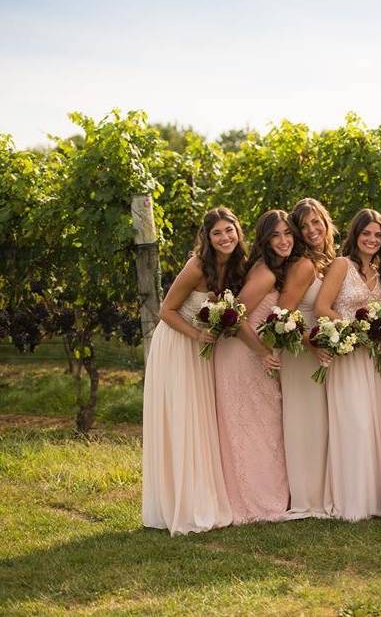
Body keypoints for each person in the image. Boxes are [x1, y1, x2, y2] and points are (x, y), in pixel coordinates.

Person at [142, 207, 236, 535]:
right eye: (218, 233)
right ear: (207, 238)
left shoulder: (232, 267)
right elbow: (165, 310)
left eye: (229, 230)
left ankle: (200, 494)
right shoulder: (197, 266)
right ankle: (181, 502)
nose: (225, 237)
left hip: (200, 347)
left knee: (201, 419)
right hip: (178, 345)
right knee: (183, 418)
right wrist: (198, 335)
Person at [315, 208, 381, 521]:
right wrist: (357, 330)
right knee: (357, 424)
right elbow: (322, 307)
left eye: (378, 235)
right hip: (349, 358)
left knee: (379, 425)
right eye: (366, 233)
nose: (372, 239)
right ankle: (355, 500)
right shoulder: (342, 265)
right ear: (356, 235)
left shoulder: (380, 273)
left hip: (377, 361)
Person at [214, 209, 293, 523]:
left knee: (261, 425)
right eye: (276, 235)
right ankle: (255, 503)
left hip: (250, 354)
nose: (284, 240)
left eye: (288, 233)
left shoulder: (269, 268)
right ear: (264, 239)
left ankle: (261, 497)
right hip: (242, 355)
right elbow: (236, 316)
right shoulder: (266, 273)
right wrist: (261, 351)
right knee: (253, 427)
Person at [277, 198, 337, 517]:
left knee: (322, 423)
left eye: (317, 222)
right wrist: (312, 342)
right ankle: (307, 497)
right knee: (305, 423)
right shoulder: (303, 265)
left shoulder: (328, 260)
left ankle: (322, 491)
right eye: (305, 225)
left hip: (322, 350)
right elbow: (282, 316)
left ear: (326, 223)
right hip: (302, 351)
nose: (313, 229)